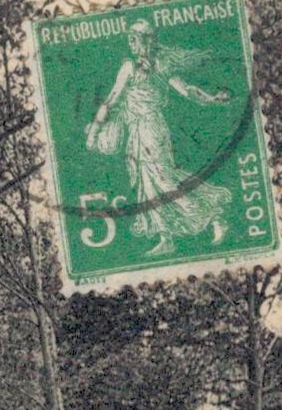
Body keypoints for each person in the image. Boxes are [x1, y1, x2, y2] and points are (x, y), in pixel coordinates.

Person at [87, 19, 234, 258]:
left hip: (150, 129)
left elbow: (112, 100)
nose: (131, 43)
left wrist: (94, 132)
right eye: (130, 39)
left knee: (163, 180)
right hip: (140, 130)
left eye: (135, 39)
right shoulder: (149, 64)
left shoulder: (139, 66)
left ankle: (213, 217)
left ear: (146, 40)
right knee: (149, 183)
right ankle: (166, 238)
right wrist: (211, 98)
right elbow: (187, 91)